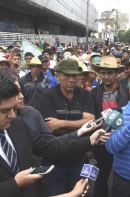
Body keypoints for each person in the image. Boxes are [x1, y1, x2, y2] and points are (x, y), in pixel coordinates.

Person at [0, 71, 106, 197]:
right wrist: (16, 183)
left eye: (12, 108)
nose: (11, 115)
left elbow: (50, 146)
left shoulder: (18, 124)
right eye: (4, 110)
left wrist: (89, 141)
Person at [38, 58, 95, 195]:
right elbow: (50, 127)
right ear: (57, 75)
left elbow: (90, 120)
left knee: (78, 191)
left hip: (78, 154)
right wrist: (79, 127)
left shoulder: (84, 95)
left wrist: (62, 124)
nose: (71, 80)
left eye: (74, 75)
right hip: (55, 156)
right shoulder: (47, 95)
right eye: (66, 75)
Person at [90, 56, 128, 197]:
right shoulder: (93, 93)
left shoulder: (127, 91)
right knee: (101, 178)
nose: (106, 76)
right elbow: (91, 119)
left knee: (122, 178)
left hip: (122, 139)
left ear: (117, 73)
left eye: (110, 73)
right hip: (101, 141)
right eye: (103, 72)